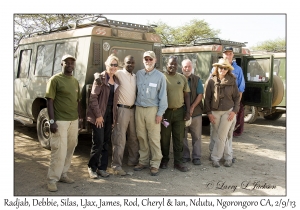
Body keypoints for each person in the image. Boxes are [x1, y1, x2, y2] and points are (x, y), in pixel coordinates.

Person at [45, 54, 82, 192]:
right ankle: (52, 179)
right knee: (59, 150)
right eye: (67, 62)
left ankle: (63, 174)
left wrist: (80, 119)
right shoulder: (55, 80)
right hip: (60, 120)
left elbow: (78, 101)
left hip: (73, 120)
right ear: (62, 64)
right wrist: (52, 121)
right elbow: (50, 101)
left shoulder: (75, 81)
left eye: (72, 62)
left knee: (70, 147)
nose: (70, 65)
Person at [208, 46, 245, 162]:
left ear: (233, 55)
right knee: (215, 133)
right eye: (225, 53)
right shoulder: (214, 72)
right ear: (223, 55)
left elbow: (239, 91)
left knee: (227, 133)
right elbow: (209, 90)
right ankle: (215, 154)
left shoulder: (238, 70)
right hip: (216, 109)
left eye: (230, 53)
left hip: (230, 108)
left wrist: (235, 110)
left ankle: (226, 156)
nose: (227, 55)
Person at [134, 51, 168, 176]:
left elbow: (163, 97)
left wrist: (160, 113)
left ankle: (155, 164)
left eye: (150, 59)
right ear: (143, 60)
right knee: (141, 136)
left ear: (155, 60)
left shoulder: (160, 76)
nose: (148, 61)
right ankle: (143, 161)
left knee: (154, 138)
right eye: (146, 59)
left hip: (153, 110)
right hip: (139, 109)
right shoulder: (138, 74)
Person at [86, 54, 120, 179]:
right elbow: (93, 98)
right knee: (98, 142)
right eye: (111, 64)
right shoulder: (100, 79)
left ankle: (102, 168)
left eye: (116, 65)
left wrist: (113, 118)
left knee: (106, 143)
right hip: (99, 115)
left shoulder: (116, 80)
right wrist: (99, 116)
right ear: (107, 65)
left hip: (110, 115)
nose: (113, 67)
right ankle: (92, 167)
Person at [204, 58, 240, 168]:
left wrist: (234, 111)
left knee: (222, 135)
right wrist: (209, 113)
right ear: (217, 68)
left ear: (228, 70)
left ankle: (217, 157)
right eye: (220, 67)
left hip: (228, 111)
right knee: (215, 134)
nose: (222, 70)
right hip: (214, 112)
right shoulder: (211, 80)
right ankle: (228, 155)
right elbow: (207, 98)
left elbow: (237, 98)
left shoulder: (232, 80)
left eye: (225, 68)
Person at [160, 56, 191, 172]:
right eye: (170, 64)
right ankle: (165, 160)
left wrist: (188, 111)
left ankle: (178, 162)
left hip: (179, 113)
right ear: (166, 64)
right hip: (166, 113)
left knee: (179, 138)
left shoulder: (182, 78)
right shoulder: (161, 77)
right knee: (165, 137)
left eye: (175, 64)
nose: (172, 66)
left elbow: (187, 95)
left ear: (178, 66)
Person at [110, 55, 139, 176]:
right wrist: (97, 76)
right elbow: (107, 72)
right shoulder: (119, 73)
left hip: (133, 110)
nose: (130, 65)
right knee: (120, 138)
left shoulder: (135, 76)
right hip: (122, 109)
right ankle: (116, 166)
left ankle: (133, 161)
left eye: (132, 63)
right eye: (128, 63)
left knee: (133, 137)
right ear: (123, 63)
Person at [181, 59, 204, 165]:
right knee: (182, 136)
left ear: (192, 67)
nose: (187, 68)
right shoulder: (178, 78)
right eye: (185, 67)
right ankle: (185, 156)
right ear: (182, 68)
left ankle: (196, 157)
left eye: (189, 66)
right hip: (181, 113)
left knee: (197, 136)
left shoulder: (197, 79)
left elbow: (200, 94)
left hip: (196, 113)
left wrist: (192, 107)